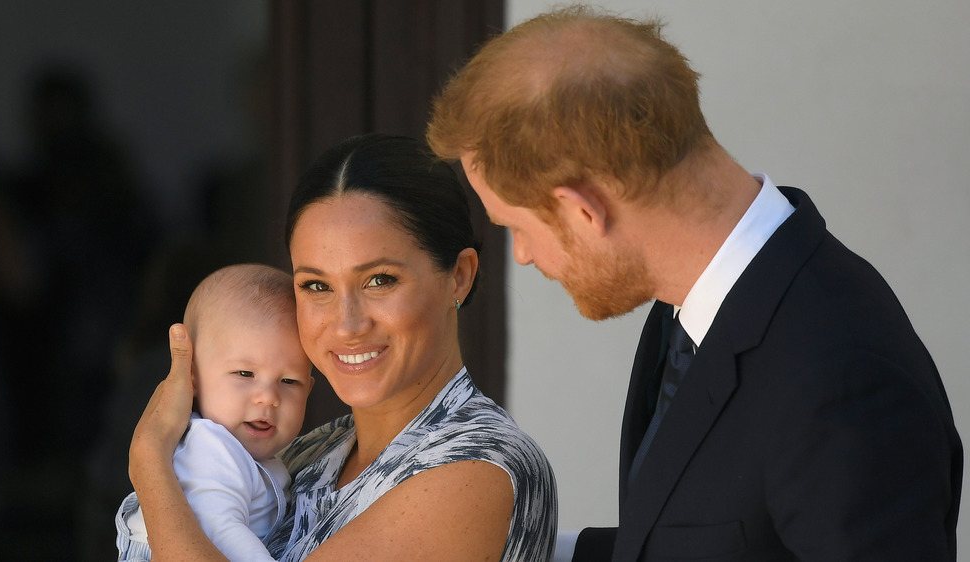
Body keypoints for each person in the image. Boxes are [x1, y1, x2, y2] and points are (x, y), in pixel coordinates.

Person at [426, 5, 961, 561]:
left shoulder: (843, 377)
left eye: (516, 227)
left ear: (583, 211)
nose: (525, 256)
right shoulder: (697, 302)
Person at [127, 133, 558, 561]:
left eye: (380, 280)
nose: (347, 325)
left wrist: (149, 460)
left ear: (459, 276)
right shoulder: (311, 452)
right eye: (317, 286)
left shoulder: (475, 467)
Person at [116, 263, 315, 561]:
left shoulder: (250, 455)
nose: (269, 397)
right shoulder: (210, 448)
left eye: (289, 381)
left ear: (309, 390)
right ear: (192, 379)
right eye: (245, 374)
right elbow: (219, 531)